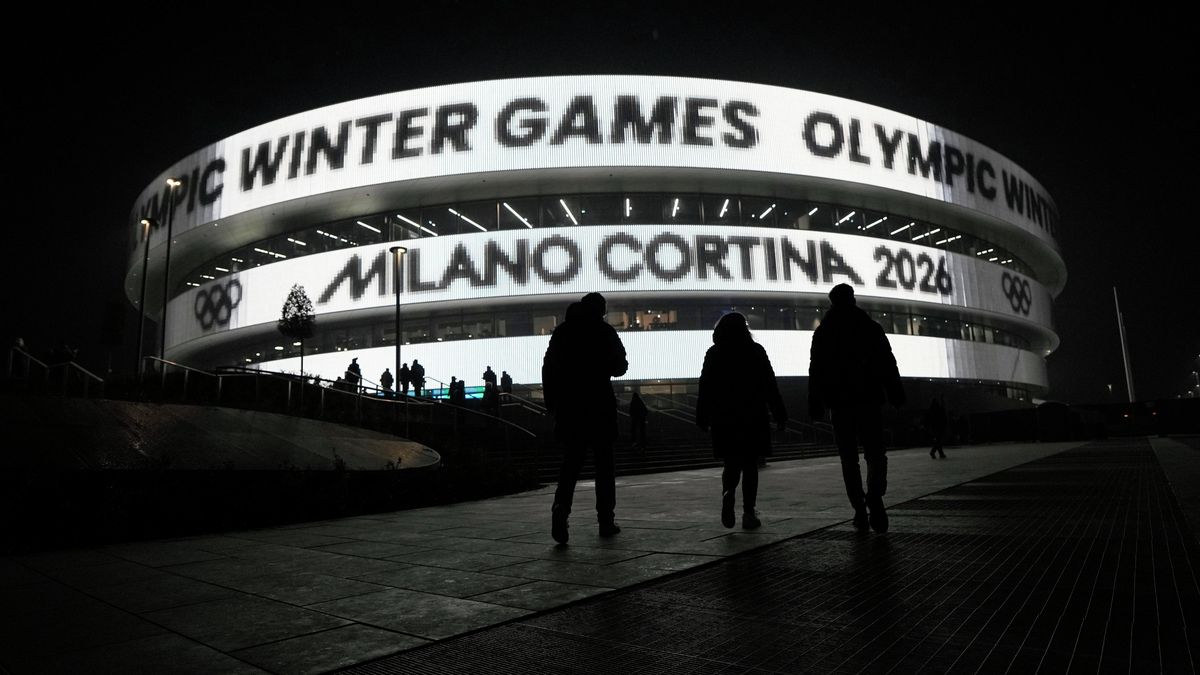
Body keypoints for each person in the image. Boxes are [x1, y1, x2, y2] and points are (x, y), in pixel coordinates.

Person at [809, 283, 905, 534]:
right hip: (869, 399)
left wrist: (815, 402)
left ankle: (860, 511)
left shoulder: (824, 332)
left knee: (848, 459)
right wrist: (896, 393)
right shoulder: (870, 328)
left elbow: (816, 371)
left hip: (839, 402)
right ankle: (875, 494)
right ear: (853, 299)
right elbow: (887, 363)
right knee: (875, 453)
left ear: (832, 302)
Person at [543, 293, 628, 544]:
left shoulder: (563, 332)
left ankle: (561, 507)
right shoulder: (604, 332)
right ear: (600, 310)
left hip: (570, 407)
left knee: (571, 463)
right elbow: (620, 366)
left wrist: (553, 403)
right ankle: (606, 520)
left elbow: (549, 368)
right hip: (599, 405)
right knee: (604, 466)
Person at [696, 313, 787, 530]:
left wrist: (702, 415)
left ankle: (728, 493)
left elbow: (705, 387)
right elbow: (769, 384)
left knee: (731, 462)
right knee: (750, 465)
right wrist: (779, 412)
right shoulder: (756, 351)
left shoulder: (714, 352)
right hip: (752, 415)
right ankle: (748, 512)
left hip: (724, 417)